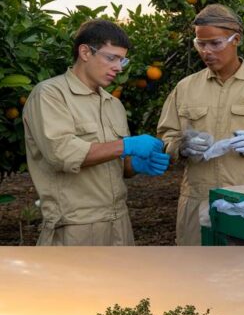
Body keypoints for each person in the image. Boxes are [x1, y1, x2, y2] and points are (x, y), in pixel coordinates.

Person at [157, 4, 244, 245]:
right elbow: (166, 134)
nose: (206, 52)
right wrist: (181, 146)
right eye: (200, 44)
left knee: (241, 263)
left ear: (236, 40)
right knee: (196, 263)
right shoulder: (185, 88)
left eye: (215, 43)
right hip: (198, 198)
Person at [22, 19, 169, 246]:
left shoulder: (113, 104)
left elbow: (116, 163)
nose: (119, 68)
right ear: (85, 52)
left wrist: (135, 165)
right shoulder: (51, 95)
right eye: (111, 58)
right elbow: (61, 154)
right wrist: (126, 145)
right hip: (75, 226)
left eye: (122, 60)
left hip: (119, 222)